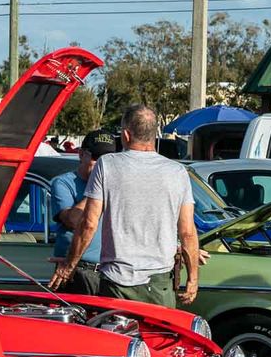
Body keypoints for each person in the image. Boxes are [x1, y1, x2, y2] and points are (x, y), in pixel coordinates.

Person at [50, 105, 200, 307]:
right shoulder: (177, 172)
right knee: (160, 337)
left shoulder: (107, 165)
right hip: (160, 283)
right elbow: (188, 232)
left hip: (117, 282)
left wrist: (69, 265)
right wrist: (193, 279)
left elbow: (88, 224)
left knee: (117, 337)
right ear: (153, 134)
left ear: (126, 135)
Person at [50, 129, 117, 294]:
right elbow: (74, 220)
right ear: (81, 155)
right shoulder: (64, 183)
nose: (102, 165)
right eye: (96, 158)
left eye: (107, 160)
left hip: (110, 272)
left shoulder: (118, 186)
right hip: (76, 269)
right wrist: (98, 188)